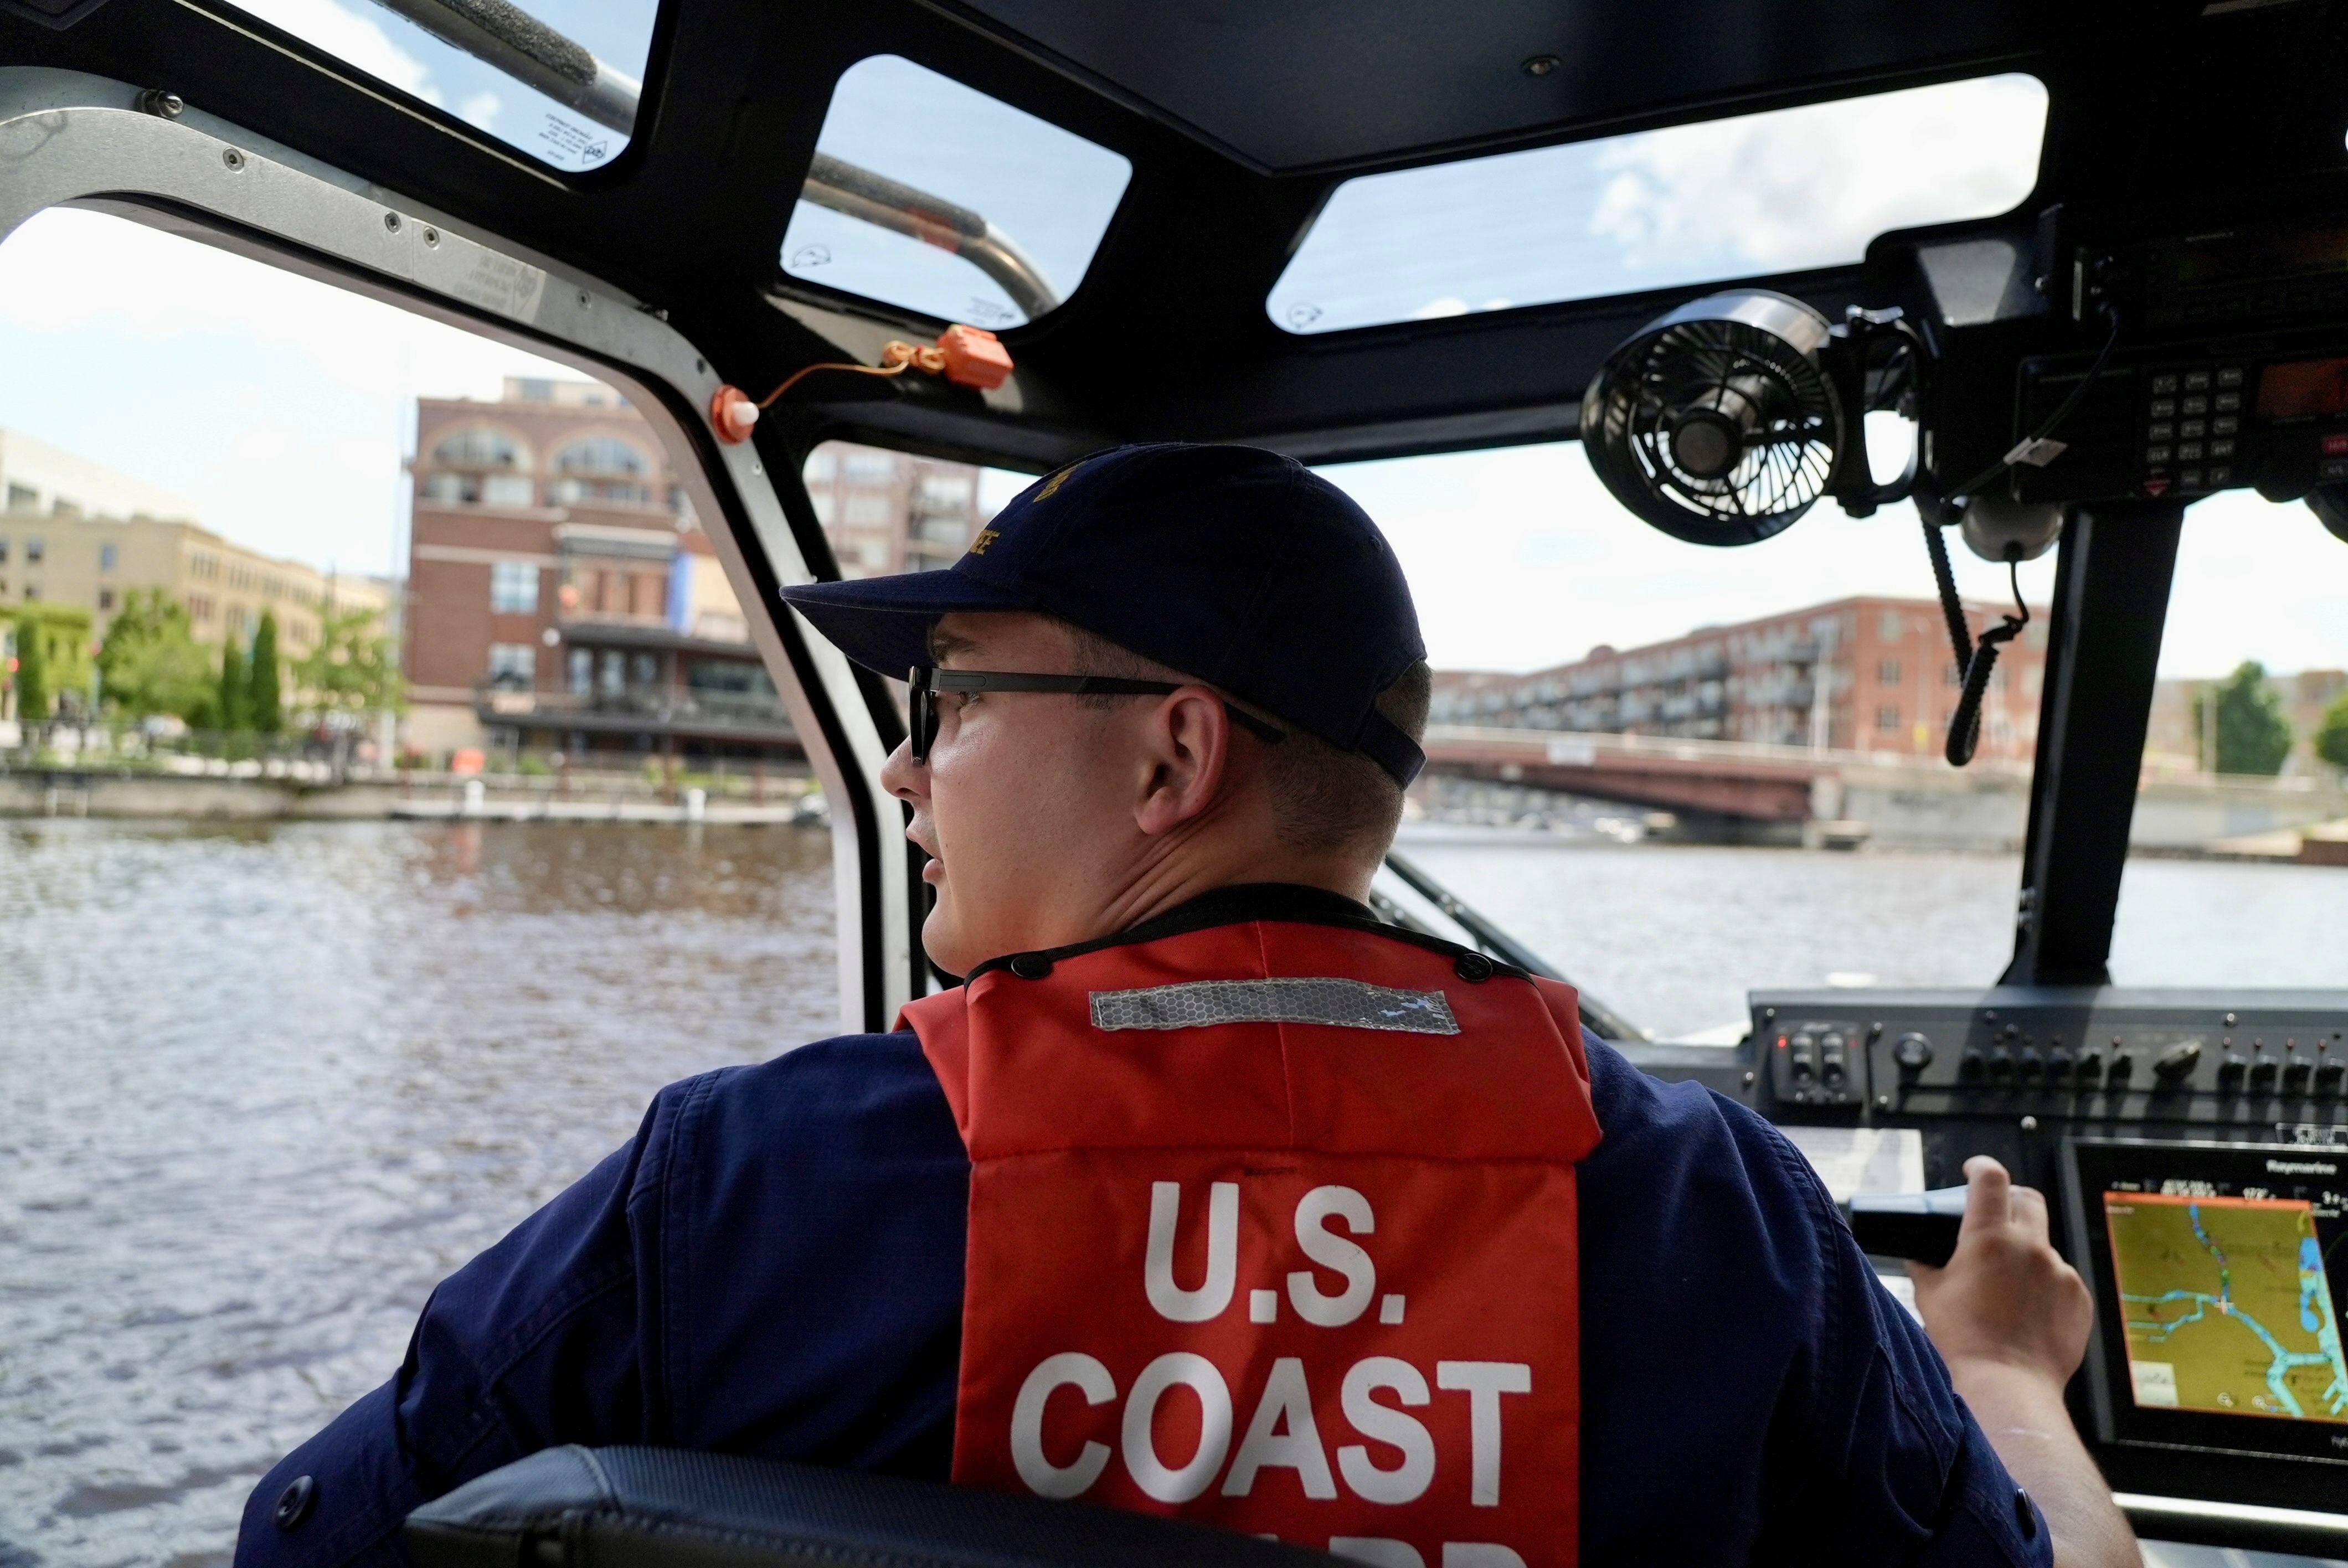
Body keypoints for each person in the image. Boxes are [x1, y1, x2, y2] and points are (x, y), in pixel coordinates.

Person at [236, 443, 2138, 1568]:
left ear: (1172, 761)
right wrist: (1996, 1379)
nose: (908, 772)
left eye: (956, 701)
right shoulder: (1712, 1219)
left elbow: (308, 1545)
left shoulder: (741, 1193)